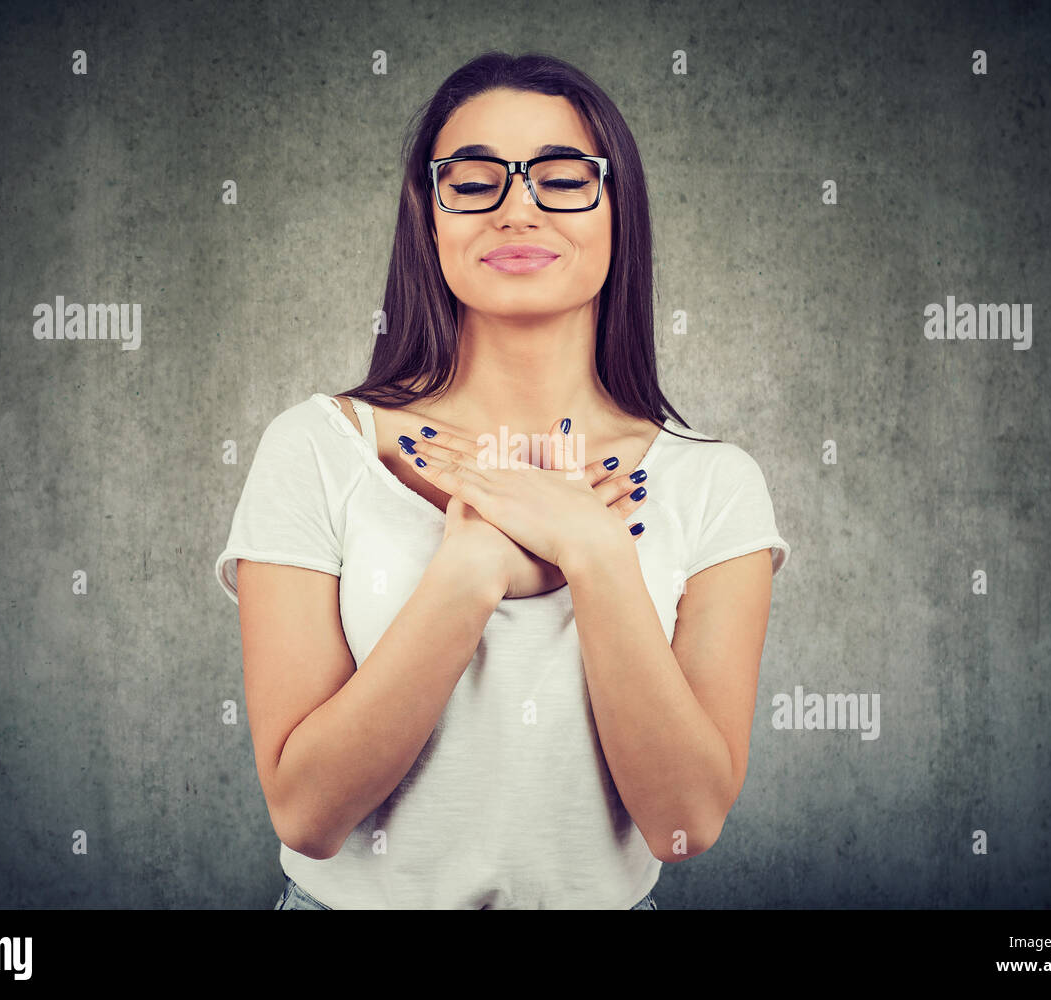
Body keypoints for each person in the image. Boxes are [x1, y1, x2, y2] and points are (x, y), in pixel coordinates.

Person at [214, 51, 790, 910]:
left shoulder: (715, 485)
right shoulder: (316, 448)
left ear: (616, 210)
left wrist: (595, 551)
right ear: (431, 217)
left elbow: (686, 821)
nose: (517, 206)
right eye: (475, 179)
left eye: (562, 177)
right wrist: (473, 572)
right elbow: (306, 814)